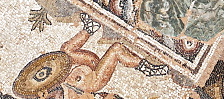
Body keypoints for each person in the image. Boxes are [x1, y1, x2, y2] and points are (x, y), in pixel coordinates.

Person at [13, 14, 168, 99]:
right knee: (116, 49)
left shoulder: (52, 88)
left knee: (65, 50)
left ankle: (90, 27)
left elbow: (54, 69)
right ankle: (147, 68)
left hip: (84, 65)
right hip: (94, 78)